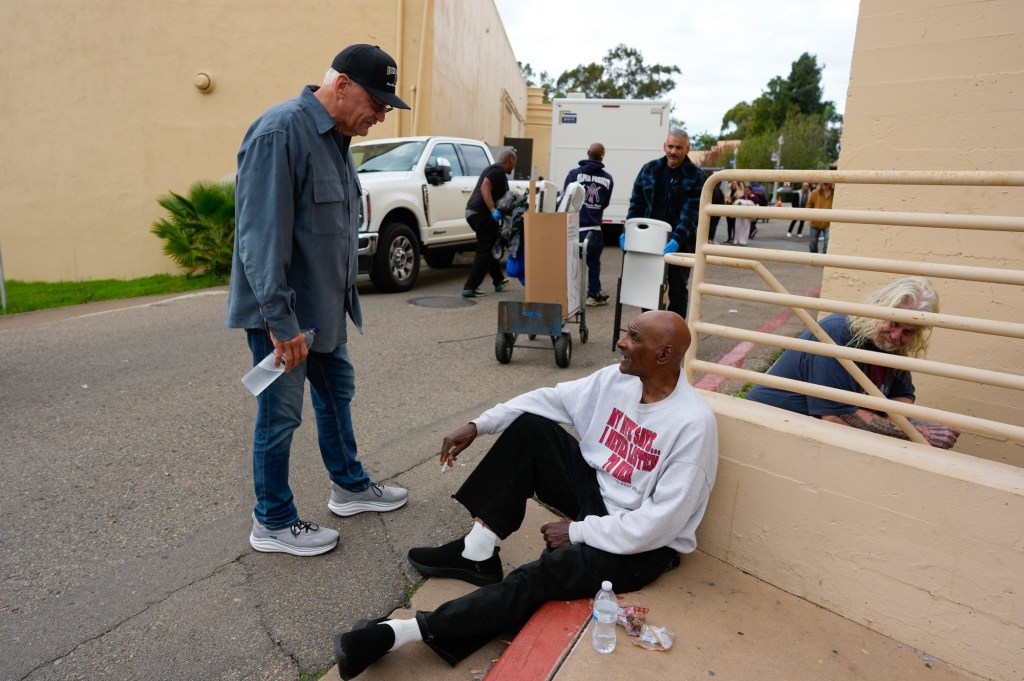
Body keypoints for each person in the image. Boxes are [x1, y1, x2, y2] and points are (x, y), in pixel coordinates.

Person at [332, 311, 718, 679]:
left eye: (633, 337)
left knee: (541, 575)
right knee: (532, 428)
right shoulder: (617, 381)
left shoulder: (691, 425)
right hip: (600, 496)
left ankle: (401, 634)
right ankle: (477, 553)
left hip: (642, 548)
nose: (621, 342)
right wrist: (477, 425)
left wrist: (579, 532)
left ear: (664, 354)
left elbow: (661, 524)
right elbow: (547, 400)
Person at [225, 44, 411, 557]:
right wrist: (280, 323)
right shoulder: (281, 131)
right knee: (280, 414)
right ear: (343, 84)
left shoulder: (336, 139)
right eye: (377, 102)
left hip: (324, 311)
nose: (380, 115)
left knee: (337, 394)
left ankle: (349, 487)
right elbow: (260, 240)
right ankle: (273, 521)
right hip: (286, 316)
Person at [746, 277, 959, 449]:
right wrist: (918, 432)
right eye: (893, 324)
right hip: (767, 429)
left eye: (907, 332)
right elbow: (836, 417)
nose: (895, 336)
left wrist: (909, 426)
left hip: (808, 435)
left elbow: (902, 396)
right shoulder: (838, 331)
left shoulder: (894, 347)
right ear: (878, 308)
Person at [627, 129, 707, 318]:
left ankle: (673, 334)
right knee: (648, 291)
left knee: (678, 291)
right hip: (649, 243)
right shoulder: (649, 169)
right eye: (670, 146)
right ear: (664, 146)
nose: (673, 151)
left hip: (681, 245)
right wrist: (629, 231)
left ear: (687, 149)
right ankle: (651, 331)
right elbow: (636, 204)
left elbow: (692, 213)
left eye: (678, 148)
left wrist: (677, 240)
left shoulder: (696, 176)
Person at [563, 143, 614, 306]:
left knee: (572, 265)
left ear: (587, 153)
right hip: (594, 230)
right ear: (603, 156)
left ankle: (569, 296)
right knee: (593, 265)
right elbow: (604, 203)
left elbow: (566, 198)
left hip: (574, 229)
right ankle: (593, 295)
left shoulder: (574, 174)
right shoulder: (608, 179)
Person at [461, 150, 517, 298]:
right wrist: (492, 209)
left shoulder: (496, 172)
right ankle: (470, 287)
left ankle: (498, 280)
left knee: (490, 244)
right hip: (482, 214)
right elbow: (485, 187)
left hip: (474, 212)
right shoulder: (497, 170)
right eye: (514, 163)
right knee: (484, 249)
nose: (514, 166)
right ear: (511, 160)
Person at [806, 181, 835, 254]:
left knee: (827, 244)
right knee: (812, 243)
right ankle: (814, 259)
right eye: (824, 181)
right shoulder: (815, 192)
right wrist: (810, 217)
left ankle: (824, 261)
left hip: (829, 223)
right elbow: (809, 205)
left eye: (827, 181)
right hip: (815, 222)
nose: (825, 183)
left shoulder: (835, 193)